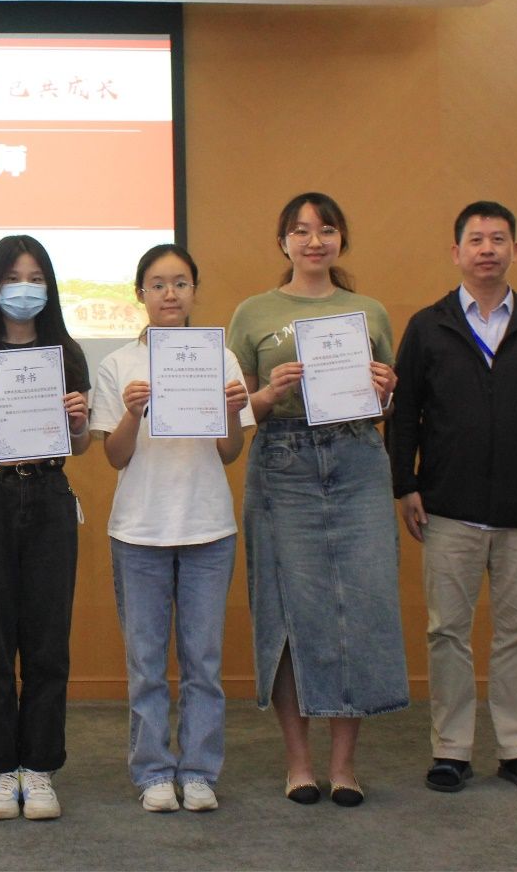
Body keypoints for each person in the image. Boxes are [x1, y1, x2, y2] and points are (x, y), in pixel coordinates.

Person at [388, 201, 517, 797]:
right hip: (448, 509)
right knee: (447, 632)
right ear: (457, 252)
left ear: (515, 251)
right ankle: (450, 750)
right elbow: (404, 414)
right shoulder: (429, 326)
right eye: (476, 240)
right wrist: (405, 484)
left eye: (499, 239)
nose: (487, 249)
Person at [226, 192, 408, 808]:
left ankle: (344, 765)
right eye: (300, 231)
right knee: (285, 611)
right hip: (283, 461)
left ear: (340, 240)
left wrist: (385, 391)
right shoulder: (253, 313)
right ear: (283, 242)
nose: (313, 241)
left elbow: (382, 406)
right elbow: (238, 413)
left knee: (359, 607)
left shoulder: (368, 312)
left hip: (356, 459)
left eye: (326, 230)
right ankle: (299, 763)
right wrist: (267, 394)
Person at [90, 244, 253, 814]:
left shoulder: (220, 358)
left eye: (180, 283)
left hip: (208, 527)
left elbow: (230, 452)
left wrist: (230, 409)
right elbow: (114, 456)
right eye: (157, 284)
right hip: (139, 531)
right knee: (146, 664)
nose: (169, 294)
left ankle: (201, 771)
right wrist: (133, 411)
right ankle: (154, 771)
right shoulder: (117, 365)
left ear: (194, 291)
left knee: (204, 662)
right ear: (140, 294)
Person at [0, 234, 91, 821]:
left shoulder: (66, 353)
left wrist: (77, 422)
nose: (24, 289)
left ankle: (41, 767)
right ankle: (1, 769)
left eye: (35, 278)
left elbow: (80, 445)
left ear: (48, 287)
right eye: (12, 278)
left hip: (49, 495)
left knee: (49, 641)